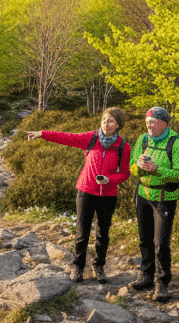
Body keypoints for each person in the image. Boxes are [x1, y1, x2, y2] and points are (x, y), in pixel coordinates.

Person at [26, 108, 131, 283]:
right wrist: (42, 134)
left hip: (108, 194)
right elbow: (67, 137)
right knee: (82, 231)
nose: (106, 123)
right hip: (86, 192)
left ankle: (99, 266)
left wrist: (110, 179)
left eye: (111, 121)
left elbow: (125, 173)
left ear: (118, 125)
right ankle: (78, 267)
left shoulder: (122, 146)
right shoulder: (91, 138)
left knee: (103, 233)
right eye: (104, 120)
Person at [130, 106, 179, 302]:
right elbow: (131, 166)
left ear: (164, 123)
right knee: (144, 239)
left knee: (161, 243)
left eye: (153, 122)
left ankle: (162, 283)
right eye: (147, 123)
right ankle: (146, 276)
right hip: (142, 194)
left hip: (164, 198)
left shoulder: (176, 143)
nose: (149, 126)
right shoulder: (142, 139)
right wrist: (139, 168)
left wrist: (157, 169)